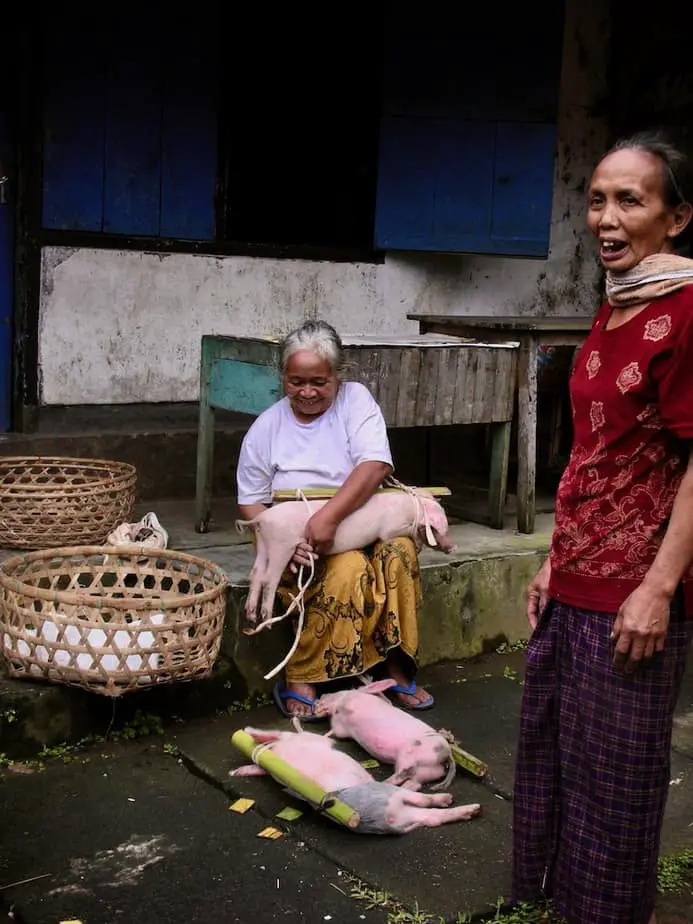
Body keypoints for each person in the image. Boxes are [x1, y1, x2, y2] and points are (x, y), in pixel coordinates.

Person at [512, 130, 693, 924]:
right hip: (576, 580)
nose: (605, 217)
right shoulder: (617, 307)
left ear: (675, 218)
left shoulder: (686, 314)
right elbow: (597, 451)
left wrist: (658, 587)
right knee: (560, 758)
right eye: (595, 198)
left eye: (630, 199)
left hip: (634, 593)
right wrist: (554, 559)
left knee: (615, 779)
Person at [236, 319, 433, 719]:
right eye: (296, 381)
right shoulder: (267, 427)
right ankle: (303, 675)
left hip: (355, 517)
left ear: (337, 376)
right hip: (303, 541)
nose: (306, 392)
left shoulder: (355, 401)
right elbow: (251, 503)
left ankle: (394, 666)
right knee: (347, 567)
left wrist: (329, 516)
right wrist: (280, 546)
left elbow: (376, 464)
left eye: (319, 382)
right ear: (283, 377)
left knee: (399, 551)